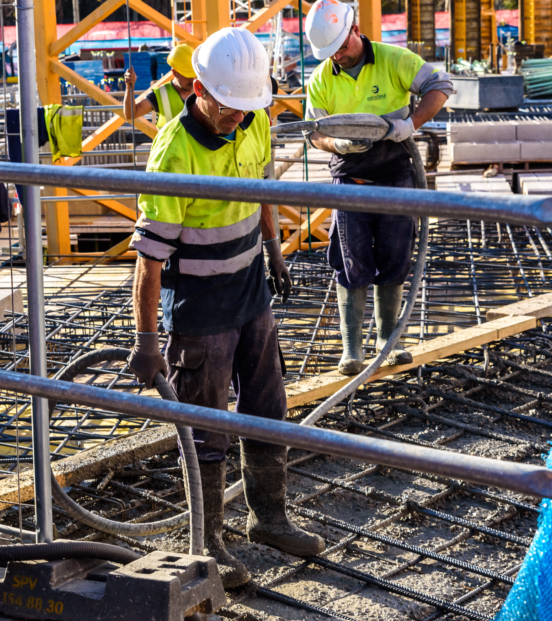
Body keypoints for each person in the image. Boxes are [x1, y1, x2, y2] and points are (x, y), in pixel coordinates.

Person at [127, 27, 323, 590]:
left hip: (249, 289)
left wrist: (274, 251)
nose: (240, 116)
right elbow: (149, 260)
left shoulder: (254, 117)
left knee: (266, 403)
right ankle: (209, 542)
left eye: (247, 106)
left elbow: (261, 188)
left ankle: (270, 519)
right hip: (199, 307)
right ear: (199, 90)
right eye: (230, 106)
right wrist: (145, 343)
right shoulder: (174, 151)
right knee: (208, 426)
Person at [303, 0, 453, 376]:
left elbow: (441, 86)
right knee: (351, 261)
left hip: (395, 173)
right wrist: (335, 144)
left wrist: (411, 123)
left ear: (355, 30)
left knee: (394, 256)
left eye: (343, 45)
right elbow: (314, 133)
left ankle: (390, 340)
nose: (339, 55)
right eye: (331, 52)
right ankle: (352, 350)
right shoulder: (321, 78)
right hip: (349, 178)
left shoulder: (393, 59)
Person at [122, 43, 196, 129]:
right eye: (187, 75)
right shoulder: (161, 94)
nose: (192, 79)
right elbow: (130, 114)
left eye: (194, 74)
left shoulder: (204, 92)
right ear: (174, 72)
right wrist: (129, 87)